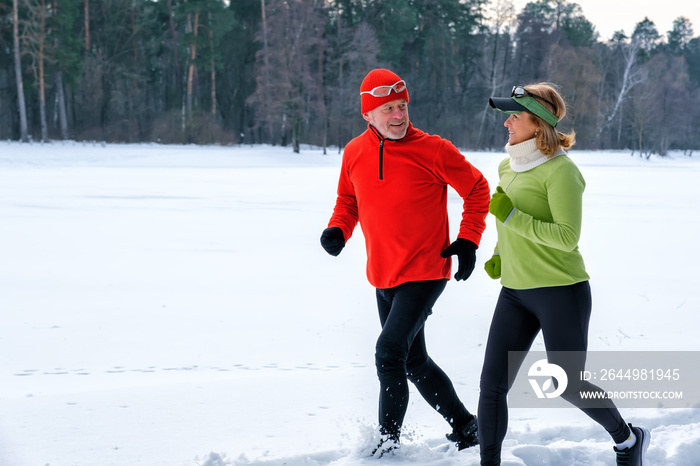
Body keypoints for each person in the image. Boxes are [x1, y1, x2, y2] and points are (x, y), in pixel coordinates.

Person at [320, 68, 490, 456]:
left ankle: (386, 446)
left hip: (426, 269)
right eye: (388, 109)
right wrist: (339, 229)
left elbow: (478, 189)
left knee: (388, 353)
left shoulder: (433, 149)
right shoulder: (354, 152)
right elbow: (349, 201)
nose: (398, 115)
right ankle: (466, 426)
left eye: (402, 106)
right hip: (383, 272)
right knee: (414, 361)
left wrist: (467, 240)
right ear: (368, 115)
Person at [478, 83, 650, 466]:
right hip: (515, 291)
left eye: (515, 116)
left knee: (568, 384)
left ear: (538, 124)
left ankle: (627, 439)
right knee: (492, 385)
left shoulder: (561, 173)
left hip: (561, 290)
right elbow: (511, 224)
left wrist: (510, 217)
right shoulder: (508, 165)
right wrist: (499, 252)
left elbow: (567, 238)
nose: (507, 122)